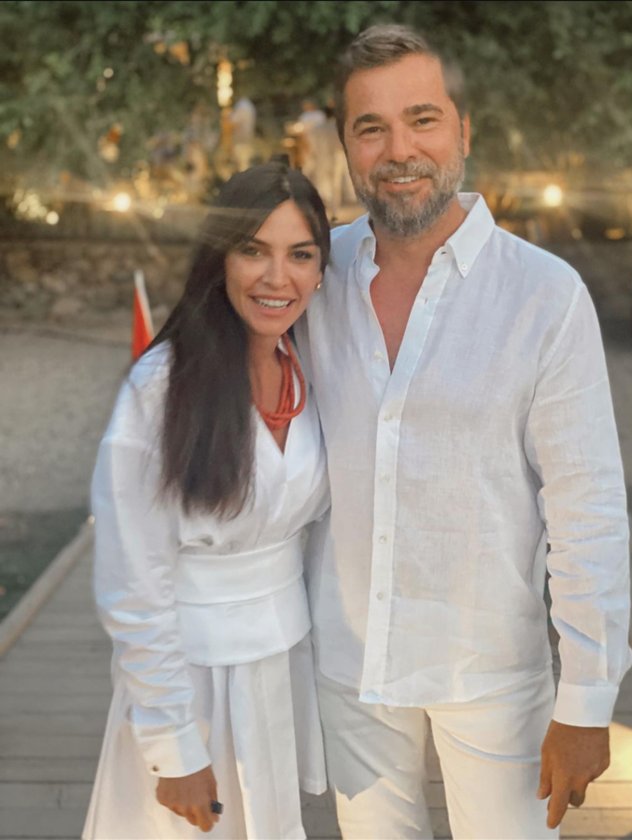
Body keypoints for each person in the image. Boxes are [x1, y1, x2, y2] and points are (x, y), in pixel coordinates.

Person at [296, 24, 632, 839]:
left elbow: (585, 505)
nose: (398, 150)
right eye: (370, 128)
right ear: (345, 145)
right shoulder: (311, 276)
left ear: (464, 130)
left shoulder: (545, 294)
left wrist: (587, 698)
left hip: (489, 669)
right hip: (348, 662)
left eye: (423, 119)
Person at [83, 162, 331, 839]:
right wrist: (173, 747)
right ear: (220, 258)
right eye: (254, 250)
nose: (277, 277)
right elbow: (132, 583)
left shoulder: (308, 367)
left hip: (281, 666)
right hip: (190, 680)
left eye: (300, 254)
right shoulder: (161, 388)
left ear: (320, 270)